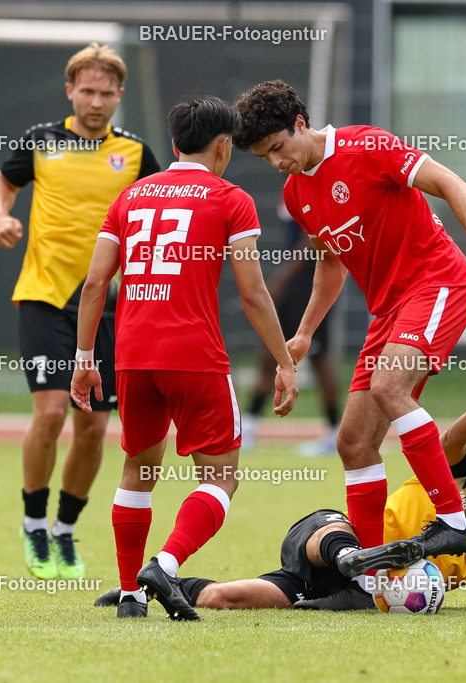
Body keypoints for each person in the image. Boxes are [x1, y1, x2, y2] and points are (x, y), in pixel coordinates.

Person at [234, 80, 466, 570]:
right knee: (353, 443)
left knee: (388, 386)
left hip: (439, 282)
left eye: (277, 147)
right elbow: (331, 264)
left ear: (301, 124)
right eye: (263, 157)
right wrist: (304, 332)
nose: (276, 162)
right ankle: (366, 572)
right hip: (390, 312)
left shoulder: (367, 145)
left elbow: (452, 184)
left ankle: (454, 522)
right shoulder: (298, 194)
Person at [70, 95, 298, 620]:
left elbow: (95, 284)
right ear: (222, 146)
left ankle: (130, 594)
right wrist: (284, 361)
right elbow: (254, 293)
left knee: (138, 471)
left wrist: (85, 357)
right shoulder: (230, 199)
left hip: (131, 354)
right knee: (220, 477)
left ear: (174, 145)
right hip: (194, 356)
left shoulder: (130, 198)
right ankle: (165, 566)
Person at [93, 391, 466, 615]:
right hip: (325, 537)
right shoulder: (447, 480)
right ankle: (363, 561)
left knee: (223, 599)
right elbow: (451, 439)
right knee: (343, 536)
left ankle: (145, 590)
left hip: (342, 590)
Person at [0, 42, 160, 580]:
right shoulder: (42, 141)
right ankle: (34, 524)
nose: (96, 101)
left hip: (108, 308)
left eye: (106, 93)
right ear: (70, 91)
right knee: (52, 412)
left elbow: (164, 206)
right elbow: (3, 182)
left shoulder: (134, 154)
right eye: (87, 91)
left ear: (119, 96)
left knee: (93, 427)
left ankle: (64, 529)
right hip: (45, 295)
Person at [243, 198, 341, 456]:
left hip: (310, 287)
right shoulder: (289, 187)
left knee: (319, 357)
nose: (276, 161)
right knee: (268, 352)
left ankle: (334, 432)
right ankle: (250, 425)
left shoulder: (310, 188)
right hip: (290, 287)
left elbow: (311, 243)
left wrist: (280, 279)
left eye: (278, 153)